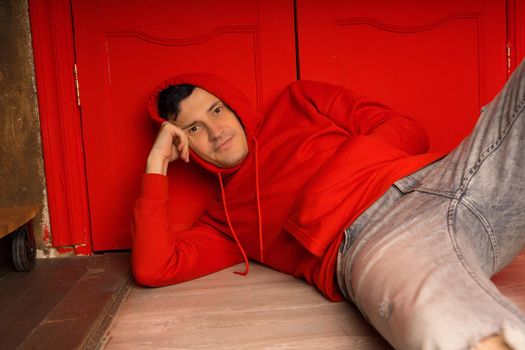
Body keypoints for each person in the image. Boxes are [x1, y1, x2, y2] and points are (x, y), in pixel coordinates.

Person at [132, 60, 525, 350]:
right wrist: (156, 165)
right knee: (459, 330)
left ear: (233, 104)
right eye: (193, 128)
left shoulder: (299, 100)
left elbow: (409, 132)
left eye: (216, 110)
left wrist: (335, 182)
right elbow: (154, 268)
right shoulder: (225, 222)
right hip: (378, 241)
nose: (216, 132)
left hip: (442, 175)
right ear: (183, 145)